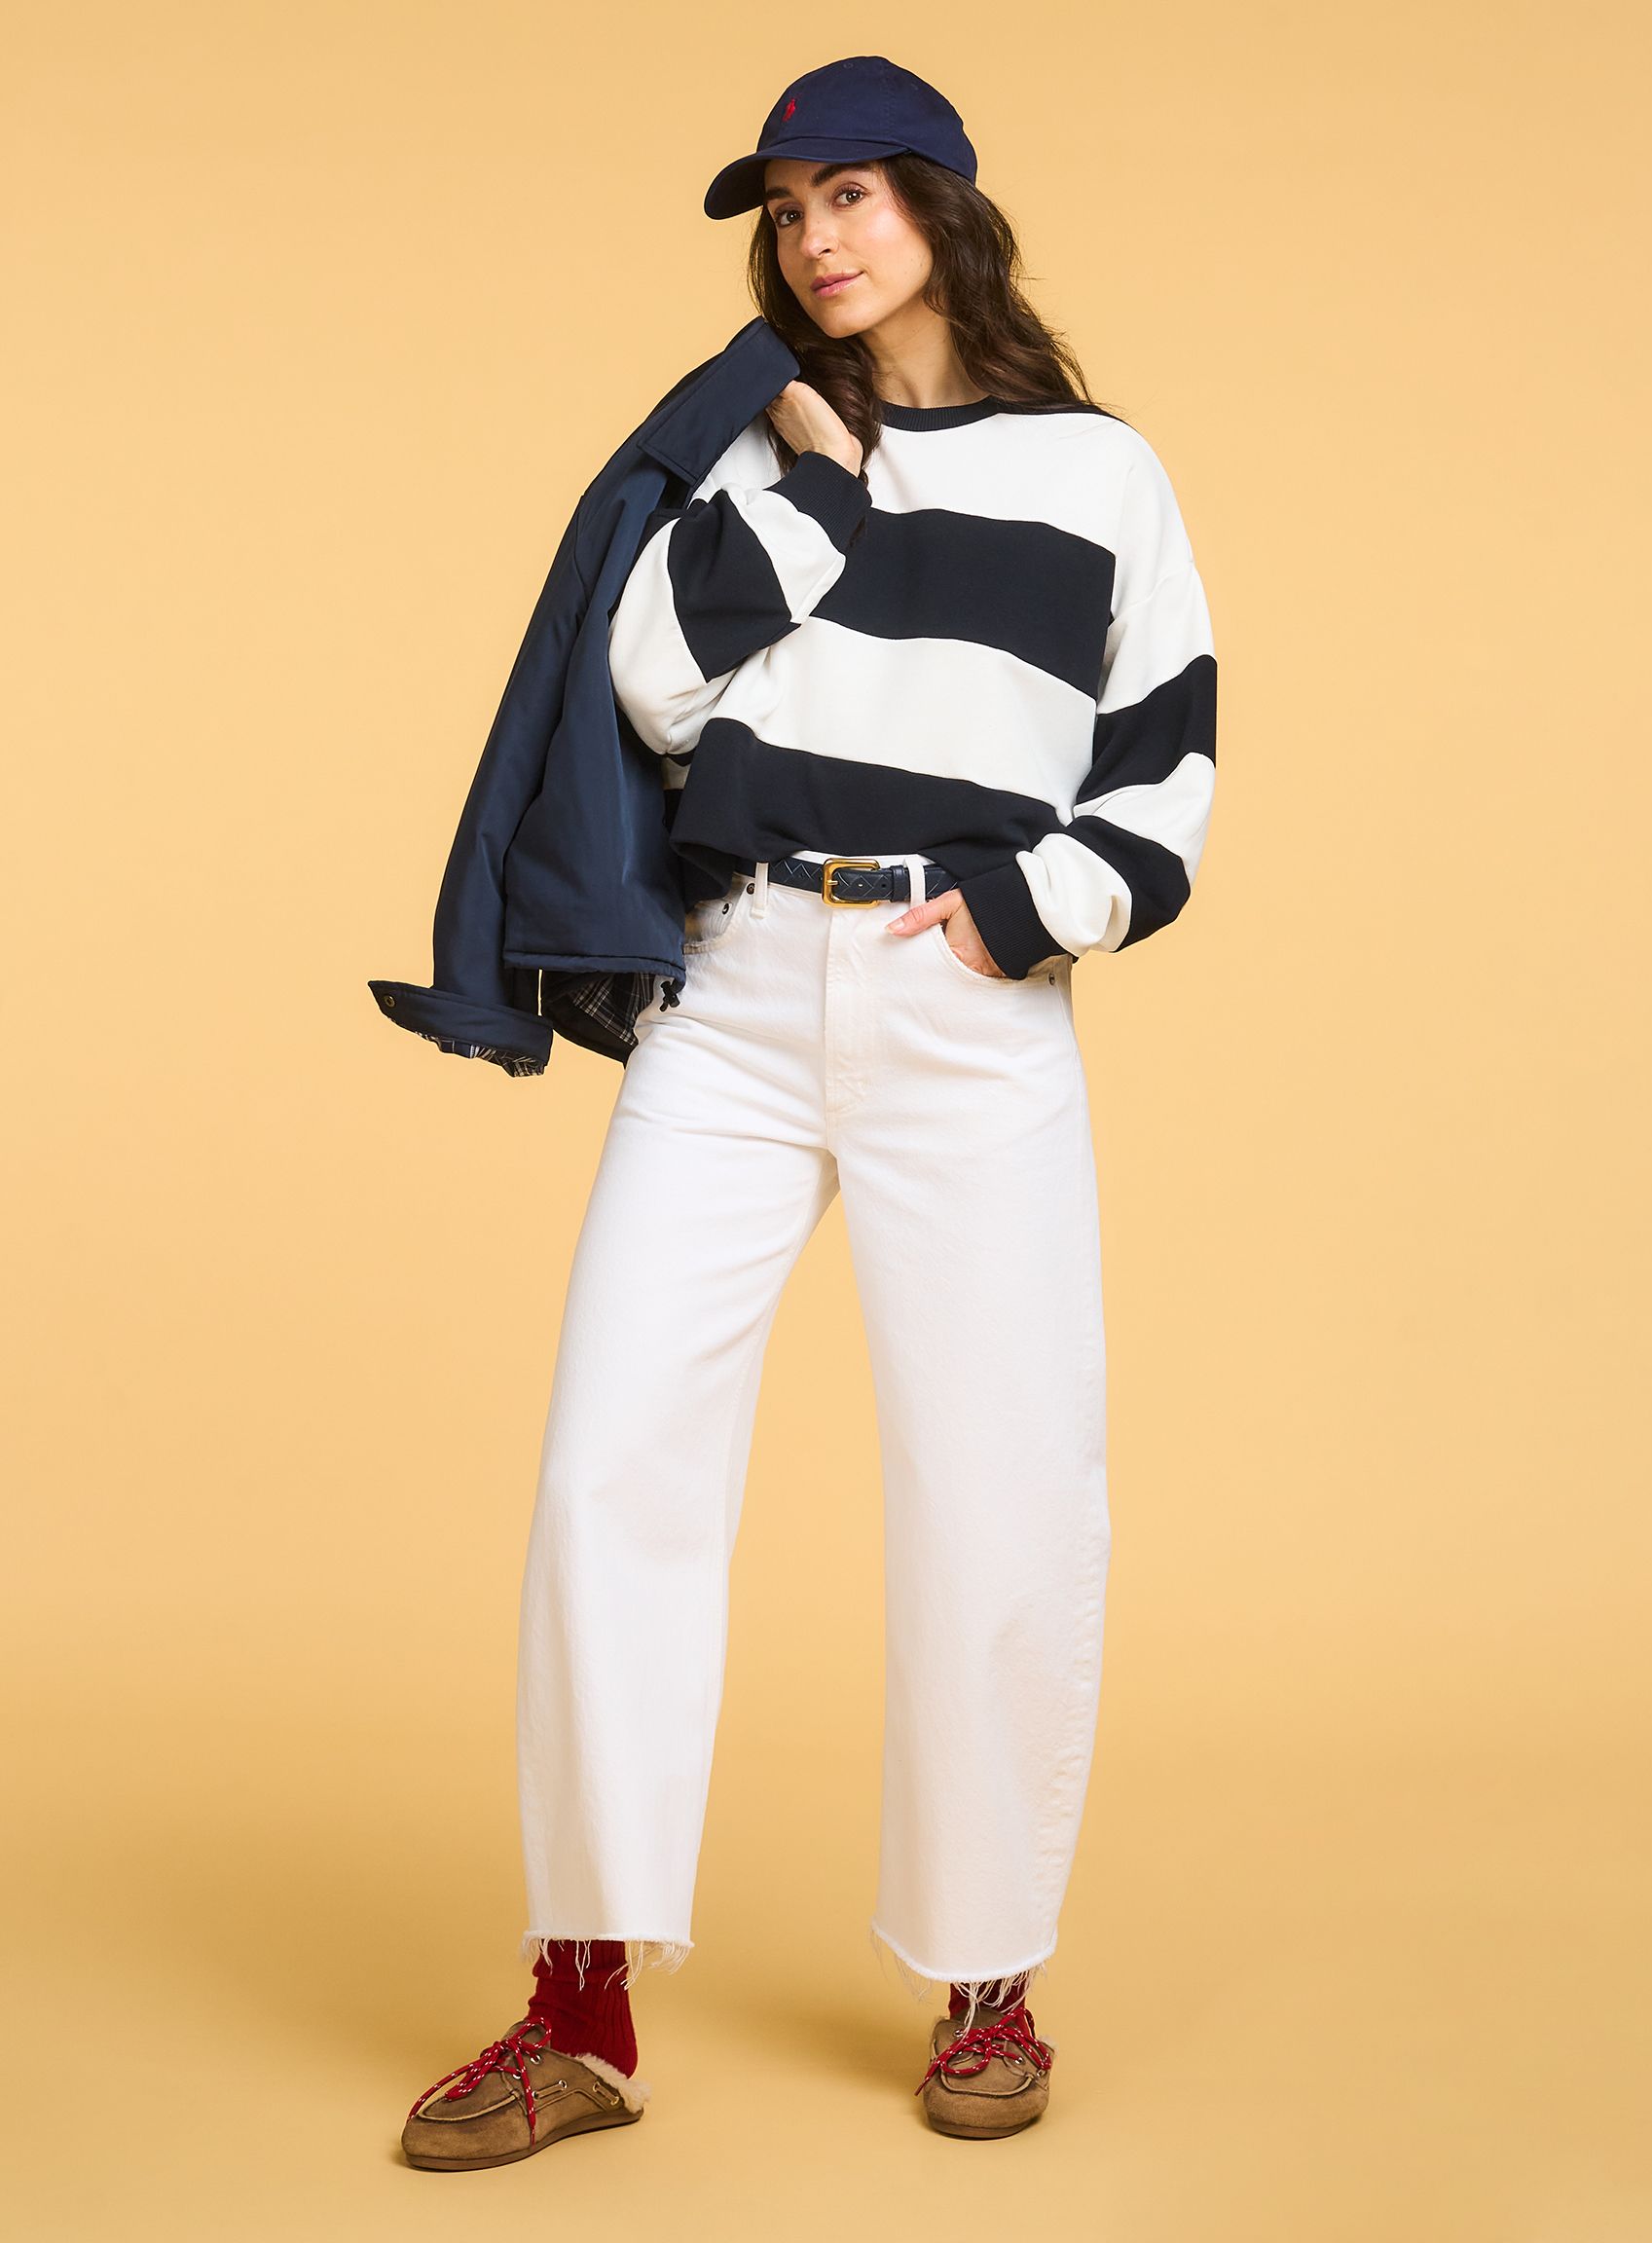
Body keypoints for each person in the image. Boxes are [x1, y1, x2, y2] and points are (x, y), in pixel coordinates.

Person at [400, 52, 1217, 2167]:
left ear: (946, 206)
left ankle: (986, 1981)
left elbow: (1170, 768)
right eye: (786, 208)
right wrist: (819, 486)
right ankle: (579, 2005)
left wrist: (1025, 913)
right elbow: (659, 688)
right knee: (611, 1471)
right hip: (741, 994)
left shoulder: (1101, 474)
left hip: (966, 1012)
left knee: (1007, 1487)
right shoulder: (747, 460)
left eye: (854, 193)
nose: (819, 237)